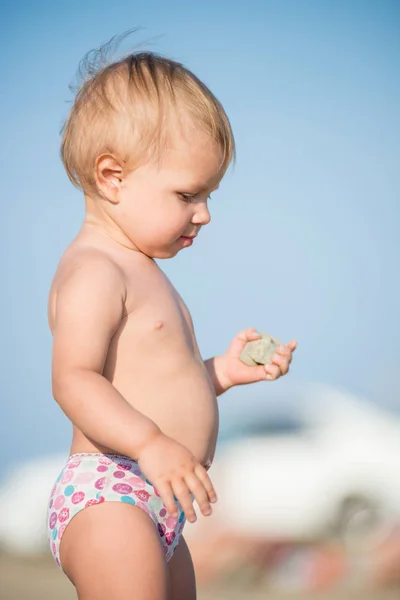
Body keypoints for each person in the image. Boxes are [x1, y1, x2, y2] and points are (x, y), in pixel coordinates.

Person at [46, 33, 297, 600]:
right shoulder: (95, 269)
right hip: (109, 490)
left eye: (209, 195)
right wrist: (151, 442)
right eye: (187, 194)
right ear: (113, 177)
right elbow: (74, 379)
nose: (204, 214)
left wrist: (221, 375)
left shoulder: (144, 271)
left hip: (158, 502)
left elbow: (153, 382)